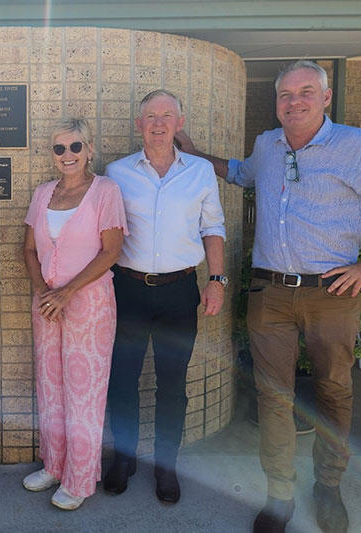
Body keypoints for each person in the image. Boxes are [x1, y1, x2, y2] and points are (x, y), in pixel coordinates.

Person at [176, 60, 361, 533]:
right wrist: (192, 153)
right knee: (274, 396)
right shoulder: (267, 145)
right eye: (285, 94)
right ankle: (279, 493)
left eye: (306, 92)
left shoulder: (357, 149)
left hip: (331, 293)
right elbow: (240, 174)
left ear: (326, 97)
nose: (294, 102)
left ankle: (328, 486)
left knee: (334, 390)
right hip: (269, 292)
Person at [105, 89, 226, 505]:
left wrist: (217, 279)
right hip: (128, 290)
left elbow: (214, 227)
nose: (158, 123)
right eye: (151, 116)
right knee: (121, 381)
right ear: (139, 125)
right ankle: (123, 460)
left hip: (180, 292)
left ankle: (166, 466)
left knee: (172, 385)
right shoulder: (115, 172)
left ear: (179, 123)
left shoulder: (200, 172)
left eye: (167, 115)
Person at [21, 118, 127, 510]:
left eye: (75, 147)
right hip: (47, 304)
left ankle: (80, 479)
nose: (68, 155)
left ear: (89, 150)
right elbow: (29, 250)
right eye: (59, 148)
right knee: (50, 388)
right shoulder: (43, 192)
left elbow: (111, 251)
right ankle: (54, 464)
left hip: (89, 304)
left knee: (84, 393)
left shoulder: (105, 191)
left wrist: (67, 291)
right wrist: (42, 292)